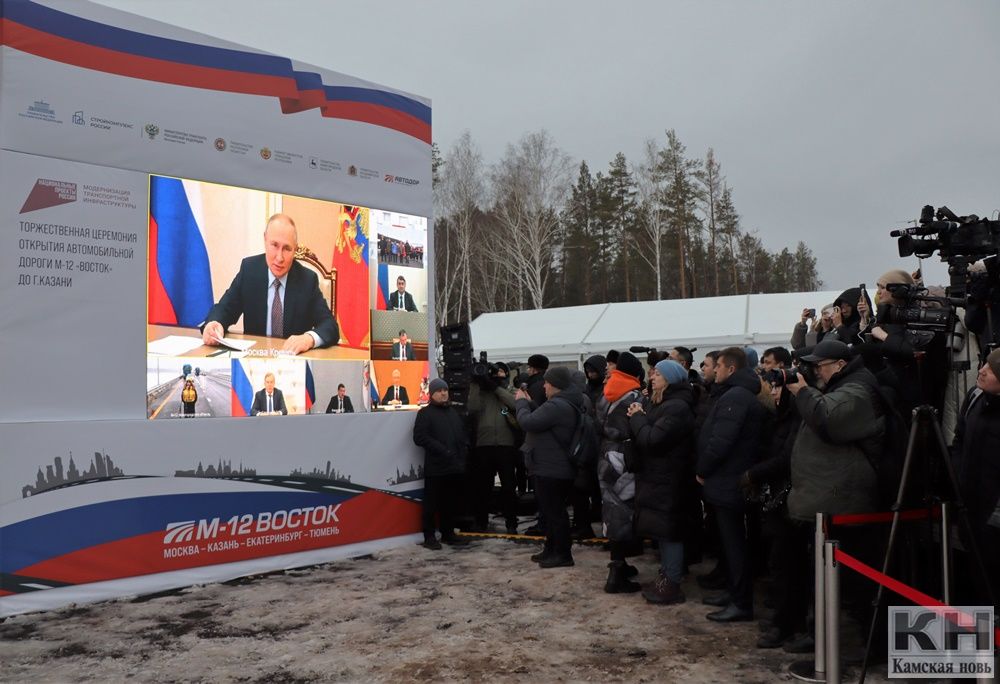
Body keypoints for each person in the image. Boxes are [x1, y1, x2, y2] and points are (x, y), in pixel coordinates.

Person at [784, 339, 886, 651]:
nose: (814, 371)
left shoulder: (858, 390)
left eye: (820, 366)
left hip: (848, 502)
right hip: (832, 499)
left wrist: (801, 391)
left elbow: (828, 419)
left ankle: (870, 645)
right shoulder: (843, 385)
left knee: (858, 582)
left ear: (840, 365)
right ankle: (826, 639)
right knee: (832, 578)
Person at [696, 346, 768, 622]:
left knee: (735, 545)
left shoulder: (736, 397)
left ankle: (741, 602)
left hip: (729, 480)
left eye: (719, 366)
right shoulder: (735, 394)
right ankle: (733, 593)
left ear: (731, 369)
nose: (714, 370)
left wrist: (702, 469)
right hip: (728, 480)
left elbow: (721, 442)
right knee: (730, 545)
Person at [201, 214, 339, 354]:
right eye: (274, 245)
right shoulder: (249, 270)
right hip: (256, 357)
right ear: (265, 240)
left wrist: (308, 338)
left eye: (287, 248)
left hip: (293, 361)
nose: (279, 258)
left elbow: (330, 326)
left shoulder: (307, 280)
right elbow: (224, 309)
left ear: (295, 249)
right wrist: (214, 324)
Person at [628, 359, 696, 605]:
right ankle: (666, 576)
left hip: (670, 477)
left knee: (670, 532)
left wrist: (637, 418)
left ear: (670, 379)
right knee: (662, 530)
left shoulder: (676, 407)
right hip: (658, 476)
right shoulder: (660, 403)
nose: (652, 376)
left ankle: (672, 582)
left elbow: (652, 439)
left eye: (657, 373)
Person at [515, 365, 583, 568]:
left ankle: (562, 554)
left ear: (555, 385)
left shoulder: (557, 405)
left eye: (547, 382)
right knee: (553, 511)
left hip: (551, 468)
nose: (544, 386)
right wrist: (532, 404)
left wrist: (520, 404)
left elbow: (527, 422)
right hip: (555, 467)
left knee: (555, 513)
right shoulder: (562, 403)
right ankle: (551, 549)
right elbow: (545, 420)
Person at [951, 348, 1000, 611]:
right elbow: (960, 437)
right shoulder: (975, 396)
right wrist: (958, 474)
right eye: (983, 364)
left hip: (995, 512)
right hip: (969, 502)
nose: (981, 370)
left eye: (990, 370)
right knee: (976, 572)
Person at [595, 351, 645, 592]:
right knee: (622, 511)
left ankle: (620, 564)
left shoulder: (607, 393)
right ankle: (616, 574)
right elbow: (636, 427)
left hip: (605, 455)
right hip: (624, 457)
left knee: (611, 509)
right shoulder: (634, 395)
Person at [412, 378, 469, 549]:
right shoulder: (424, 414)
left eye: (445, 390)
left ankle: (448, 533)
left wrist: (464, 448)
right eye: (439, 391)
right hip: (436, 467)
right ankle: (429, 537)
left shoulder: (453, 412)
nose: (444, 393)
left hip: (454, 466)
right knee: (431, 504)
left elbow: (461, 434)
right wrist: (442, 450)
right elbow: (419, 437)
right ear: (432, 394)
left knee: (449, 503)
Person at [468, 363, 520, 535]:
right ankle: (481, 522)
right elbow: (472, 407)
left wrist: (496, 388)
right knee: (483, 487)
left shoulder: (507, 390)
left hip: (506, 445)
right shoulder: (480, 391)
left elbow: (514, 404)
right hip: (484, 445)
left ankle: (511, 523)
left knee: (508, 487)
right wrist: (476, 383)